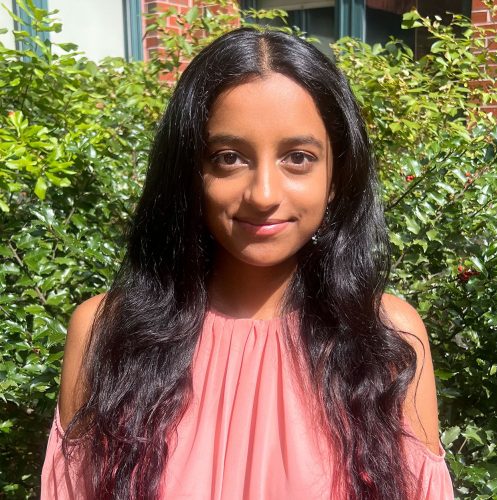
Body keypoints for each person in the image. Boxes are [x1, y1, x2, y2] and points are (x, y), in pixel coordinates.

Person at [41, 27, 454, 499]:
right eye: (229, 157)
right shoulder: (105, 334)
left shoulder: (388, 339)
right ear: (190, 173)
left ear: (335, 177)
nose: (263, 195)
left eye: (298, 157)